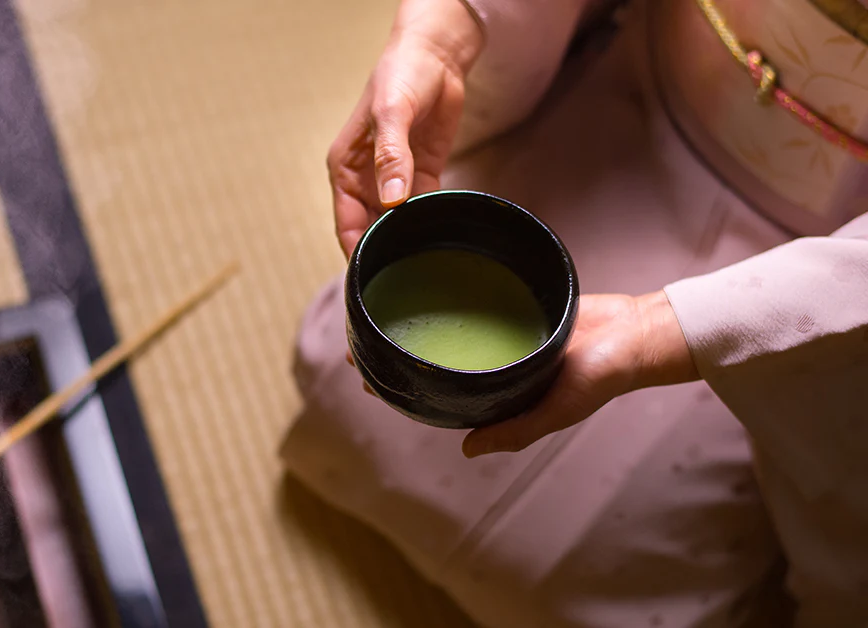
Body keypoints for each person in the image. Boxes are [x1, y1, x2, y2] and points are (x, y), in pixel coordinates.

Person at [279, 0, 868, 626]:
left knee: (611, 569)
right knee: (352, 383)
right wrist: (447, 34)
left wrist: (671, 330)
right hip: (635, 120)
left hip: (833, 270)